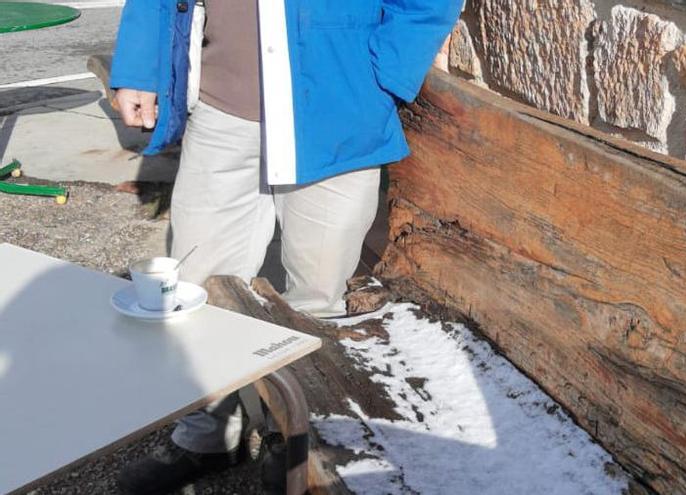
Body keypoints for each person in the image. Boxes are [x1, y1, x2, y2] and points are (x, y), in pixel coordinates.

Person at [108, 0, 460, 493]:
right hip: (221, 108)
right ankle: (211, 431)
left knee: (318, 294)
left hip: (338, 105)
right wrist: (140, 65)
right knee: (199, 285)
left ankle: (295, 437)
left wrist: (384, 74)